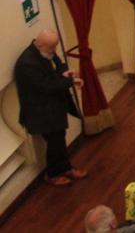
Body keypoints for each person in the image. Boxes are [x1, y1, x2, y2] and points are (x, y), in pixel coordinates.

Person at [15, 30, 85, 187]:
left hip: (52, 108)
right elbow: (46, 86)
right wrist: (70, 81)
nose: (55, 50)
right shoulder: (27, 64)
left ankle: (65, 168)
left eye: (55, 46)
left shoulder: (46, 51)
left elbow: (58, 64)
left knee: (59, 139)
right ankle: (53, 174)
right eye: (52, 47)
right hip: (40, 113)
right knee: (55, 142)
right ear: (40, 45)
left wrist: (66, 72)